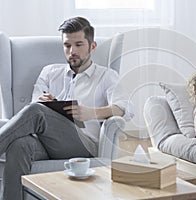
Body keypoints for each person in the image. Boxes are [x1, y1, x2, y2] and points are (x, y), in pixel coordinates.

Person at [0, 17, 133, 200]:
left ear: (92, 46)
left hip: (83, 144)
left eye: (79, 44)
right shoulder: (49, 72)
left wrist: (91, 113)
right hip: (46, 142)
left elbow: (126, 109)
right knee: (19, 145)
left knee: (37, 111)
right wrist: (44, 102)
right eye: (67, 45)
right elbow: (32, 108)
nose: (72, 51)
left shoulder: (106, 76)